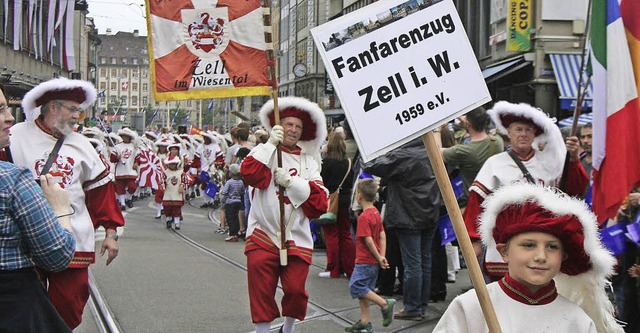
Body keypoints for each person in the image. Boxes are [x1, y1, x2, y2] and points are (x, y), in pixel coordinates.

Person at [9, 77, 125, 330]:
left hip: (73, 237)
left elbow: (100, 192)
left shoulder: (83, 145)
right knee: (26, 304)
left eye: (79, 111)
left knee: (70, 303)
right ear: (53, 107)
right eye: (73, 109)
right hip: (25, 238)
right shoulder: (15, 136)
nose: (77, 117)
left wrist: (111, 232)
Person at [433, 183, 623, 333]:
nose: (541, 256)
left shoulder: (577, 320)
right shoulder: (471, 306)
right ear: (504, 252)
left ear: (563, 257)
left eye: (552, 247)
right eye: (529, 245)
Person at [463, 101, 588, 280]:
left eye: (528, 130)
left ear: (534, 134)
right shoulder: (494, 164)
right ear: (509, 132)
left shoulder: (549, 163)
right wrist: (474, 240)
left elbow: (572, 192)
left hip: (541, 244)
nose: (523, 134)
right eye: (518, 129)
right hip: (503, 243)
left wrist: (574, 159)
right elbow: (476, 202)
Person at [240, 96, 328, 333]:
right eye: (289, 124)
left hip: (296, 235)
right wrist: (269, 145)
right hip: (263, 232)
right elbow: (249, 174)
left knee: (296, 290)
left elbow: (320, 203)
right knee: (261, 288)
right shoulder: (263, 151)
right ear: (279, 126)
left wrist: (293, 183)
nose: (293, 130)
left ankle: (287, 329)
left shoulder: (309, 162)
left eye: (298, 127)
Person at [363, 137, 443, 321]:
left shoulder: (402, 155)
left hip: (408, 213)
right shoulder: (431, 151)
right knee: (424, 261)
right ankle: (421, 304)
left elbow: (370, 165)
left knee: (412, 263)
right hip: (429, 211)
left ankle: (413, 307)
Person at [344, 178, 395, 333]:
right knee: (365, 291)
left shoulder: (364, 217)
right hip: (373, 261)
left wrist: (379, 257)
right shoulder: (376, 213)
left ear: (359, 196)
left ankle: (385, 304)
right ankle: (365, 322)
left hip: (364, 260)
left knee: (356, 286)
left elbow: (368, 240)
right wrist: (382, 256)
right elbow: (382, 235)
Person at [437, 107, 503, 208]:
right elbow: (485, 134)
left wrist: (437, 129)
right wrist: (468, 125)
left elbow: (437, 153)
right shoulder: (497, 142)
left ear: (468, 124)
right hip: (494, 200)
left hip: (473, 203)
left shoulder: (465, 151)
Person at [318, 130, 356, 279]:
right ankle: (350, 268)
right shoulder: (348, 162)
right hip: (345, 201)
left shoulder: (325, 163)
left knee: (331, 234)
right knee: (345, 234)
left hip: (329, 201)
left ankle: (333, 269)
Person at [110, 127, 141, 210]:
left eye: (126, 136)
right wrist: (117, 157)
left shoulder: (134, 147)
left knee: (132, 187)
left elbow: (138, 157)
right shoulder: (117, 147)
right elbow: (112, 159)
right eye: (123, 136)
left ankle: (128, 198)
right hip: (120, 170)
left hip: (130, 170)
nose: (125, 138)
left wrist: (136, 162)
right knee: (120, 188)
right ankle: (122, 204)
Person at [220, 164, 245, 242]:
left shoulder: (229, 182)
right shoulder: (241, 182)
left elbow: (224, 191)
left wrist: (221, 193)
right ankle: (236, 233)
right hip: (238, 201)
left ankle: (232, 234)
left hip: (230, 202)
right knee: (236, 218)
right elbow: (242, 191)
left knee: (230, 219)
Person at [162, 155, 185, 230]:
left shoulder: (181, 172)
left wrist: (182, 185)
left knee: (176, 209)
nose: (172, 165)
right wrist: (163, 185)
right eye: (170, 164)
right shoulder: (165, 172)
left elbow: (184, 180)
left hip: (177, 193)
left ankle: (177, 223)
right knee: (167, 208)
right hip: (168, 193)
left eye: (173, 164)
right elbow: (162, 181)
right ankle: (168, 220)